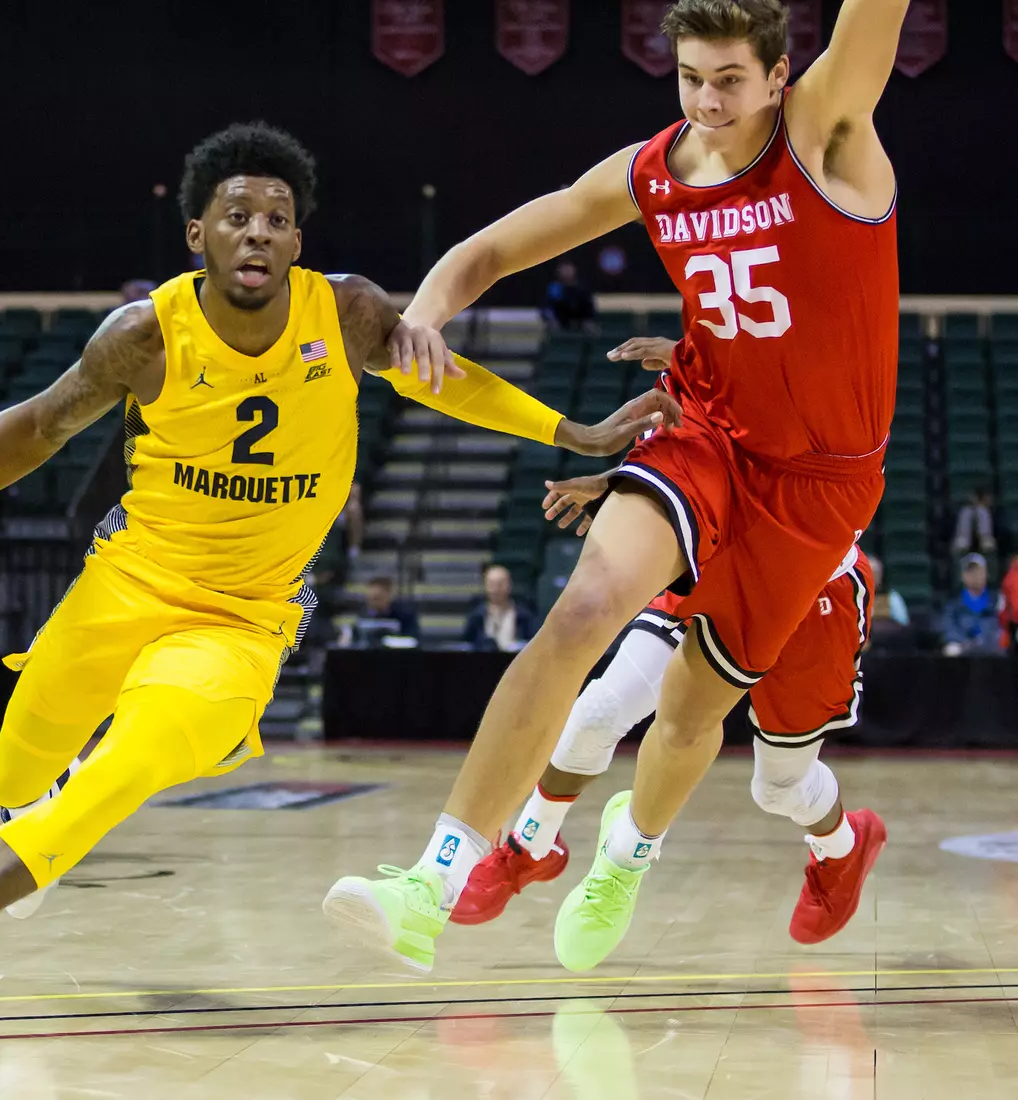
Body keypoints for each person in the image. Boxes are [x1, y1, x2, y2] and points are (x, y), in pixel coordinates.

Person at [0, 122, 677, 1042]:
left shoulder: (344, 313)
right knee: (18, 768)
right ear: (198, 236)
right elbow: (33, 430)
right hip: (127, 580)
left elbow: (442, 378)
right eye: (237, 216)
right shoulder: (143, 335)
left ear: (298, 241)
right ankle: (30, 834)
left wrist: (568, 434)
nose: (257, 231)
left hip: (243, 623)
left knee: (116, 774)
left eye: (277, 218)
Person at [327, 0, 905, 973]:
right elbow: (491, 250)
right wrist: (422, 313)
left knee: (687, 716)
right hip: (705, 430)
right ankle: (430, 875)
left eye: (729, 79)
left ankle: (627, 857)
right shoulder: (654, 172)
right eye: (690, 78)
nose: (708, 102)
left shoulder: (825, 134)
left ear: (778, 76)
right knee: (582, 608)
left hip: (817, 485)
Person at [455, 470, 884, 955]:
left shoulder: (847, 402)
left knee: (780, 788)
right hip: (718, 557)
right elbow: (681, 428)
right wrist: (624, 483)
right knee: (598, 711)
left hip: (811, 586)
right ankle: (532, 846)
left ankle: (844, 848)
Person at [463, 564, 538, 652]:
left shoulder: (524, 615)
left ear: (510, 584)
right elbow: (468, 644)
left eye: (500, 584)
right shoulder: (476, 616)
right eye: (491, 584)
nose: (496, 589)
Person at [942, 553, 1004, 656]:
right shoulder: (954, 604)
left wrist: (982, 641)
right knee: (951, 650)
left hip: (990, 647)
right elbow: (949, 629)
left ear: (986, 574)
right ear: (963, 576)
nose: (975, 575)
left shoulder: (996, 600)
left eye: (978, 571)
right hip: (963, 647)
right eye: (970, 571)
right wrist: (966, 643)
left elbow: (1000, 626)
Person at [543, 260, 597, 331]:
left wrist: (587, 319)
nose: (566, 271)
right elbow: (547, 307)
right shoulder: (554, 288)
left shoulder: (582, 288)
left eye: (568, 268)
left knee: (591, 327)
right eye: (563, 269)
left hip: (581, 321)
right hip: (560, 322)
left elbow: (589, 307)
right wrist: (552, 318)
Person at [951, 488, 997, 558]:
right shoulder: (965, 511)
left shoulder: (984, 511)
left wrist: (983, 539)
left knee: (988, 544)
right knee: (961, 544)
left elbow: (986, 532)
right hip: (965, 541)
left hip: (982, 542)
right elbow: (961, 531)